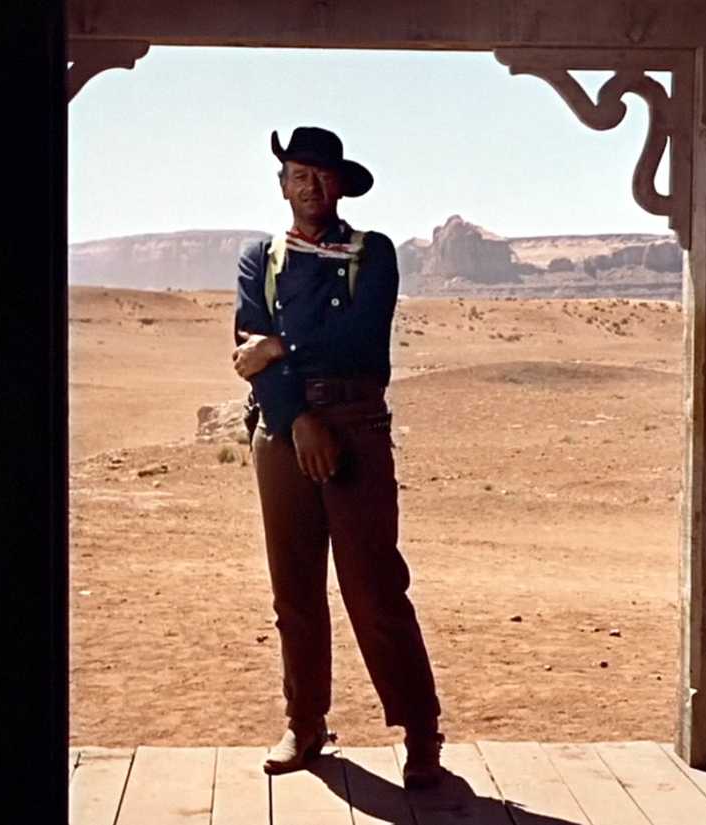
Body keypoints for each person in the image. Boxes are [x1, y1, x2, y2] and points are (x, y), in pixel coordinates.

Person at [231, 126, 444, 789]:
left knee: (375, 586)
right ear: (282, 182)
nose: (311, 186)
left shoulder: (371, 253)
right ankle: (305, 722)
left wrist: (278, 346)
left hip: (356, 422)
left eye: (323, 175)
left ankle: (420, 729)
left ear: (341, 184)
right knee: (293, 589)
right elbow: (245, 349)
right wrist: (296, 420)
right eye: (299, 173)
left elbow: (358, 338)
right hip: (282, 432)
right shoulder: (257, 257)